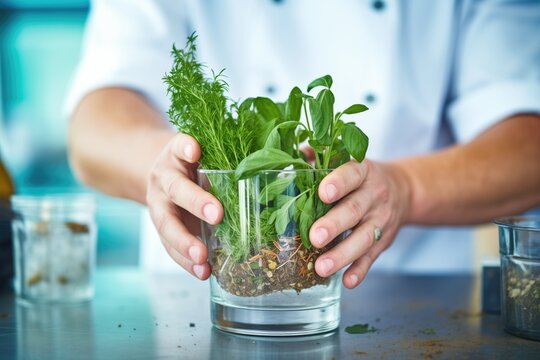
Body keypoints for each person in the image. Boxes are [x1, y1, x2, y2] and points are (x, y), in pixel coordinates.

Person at [66, 0, 540, 288]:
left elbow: (528, 144)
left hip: (419, 295)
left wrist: (406, 188)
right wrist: (167, 169)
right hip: (207, 287)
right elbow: (95, 121)